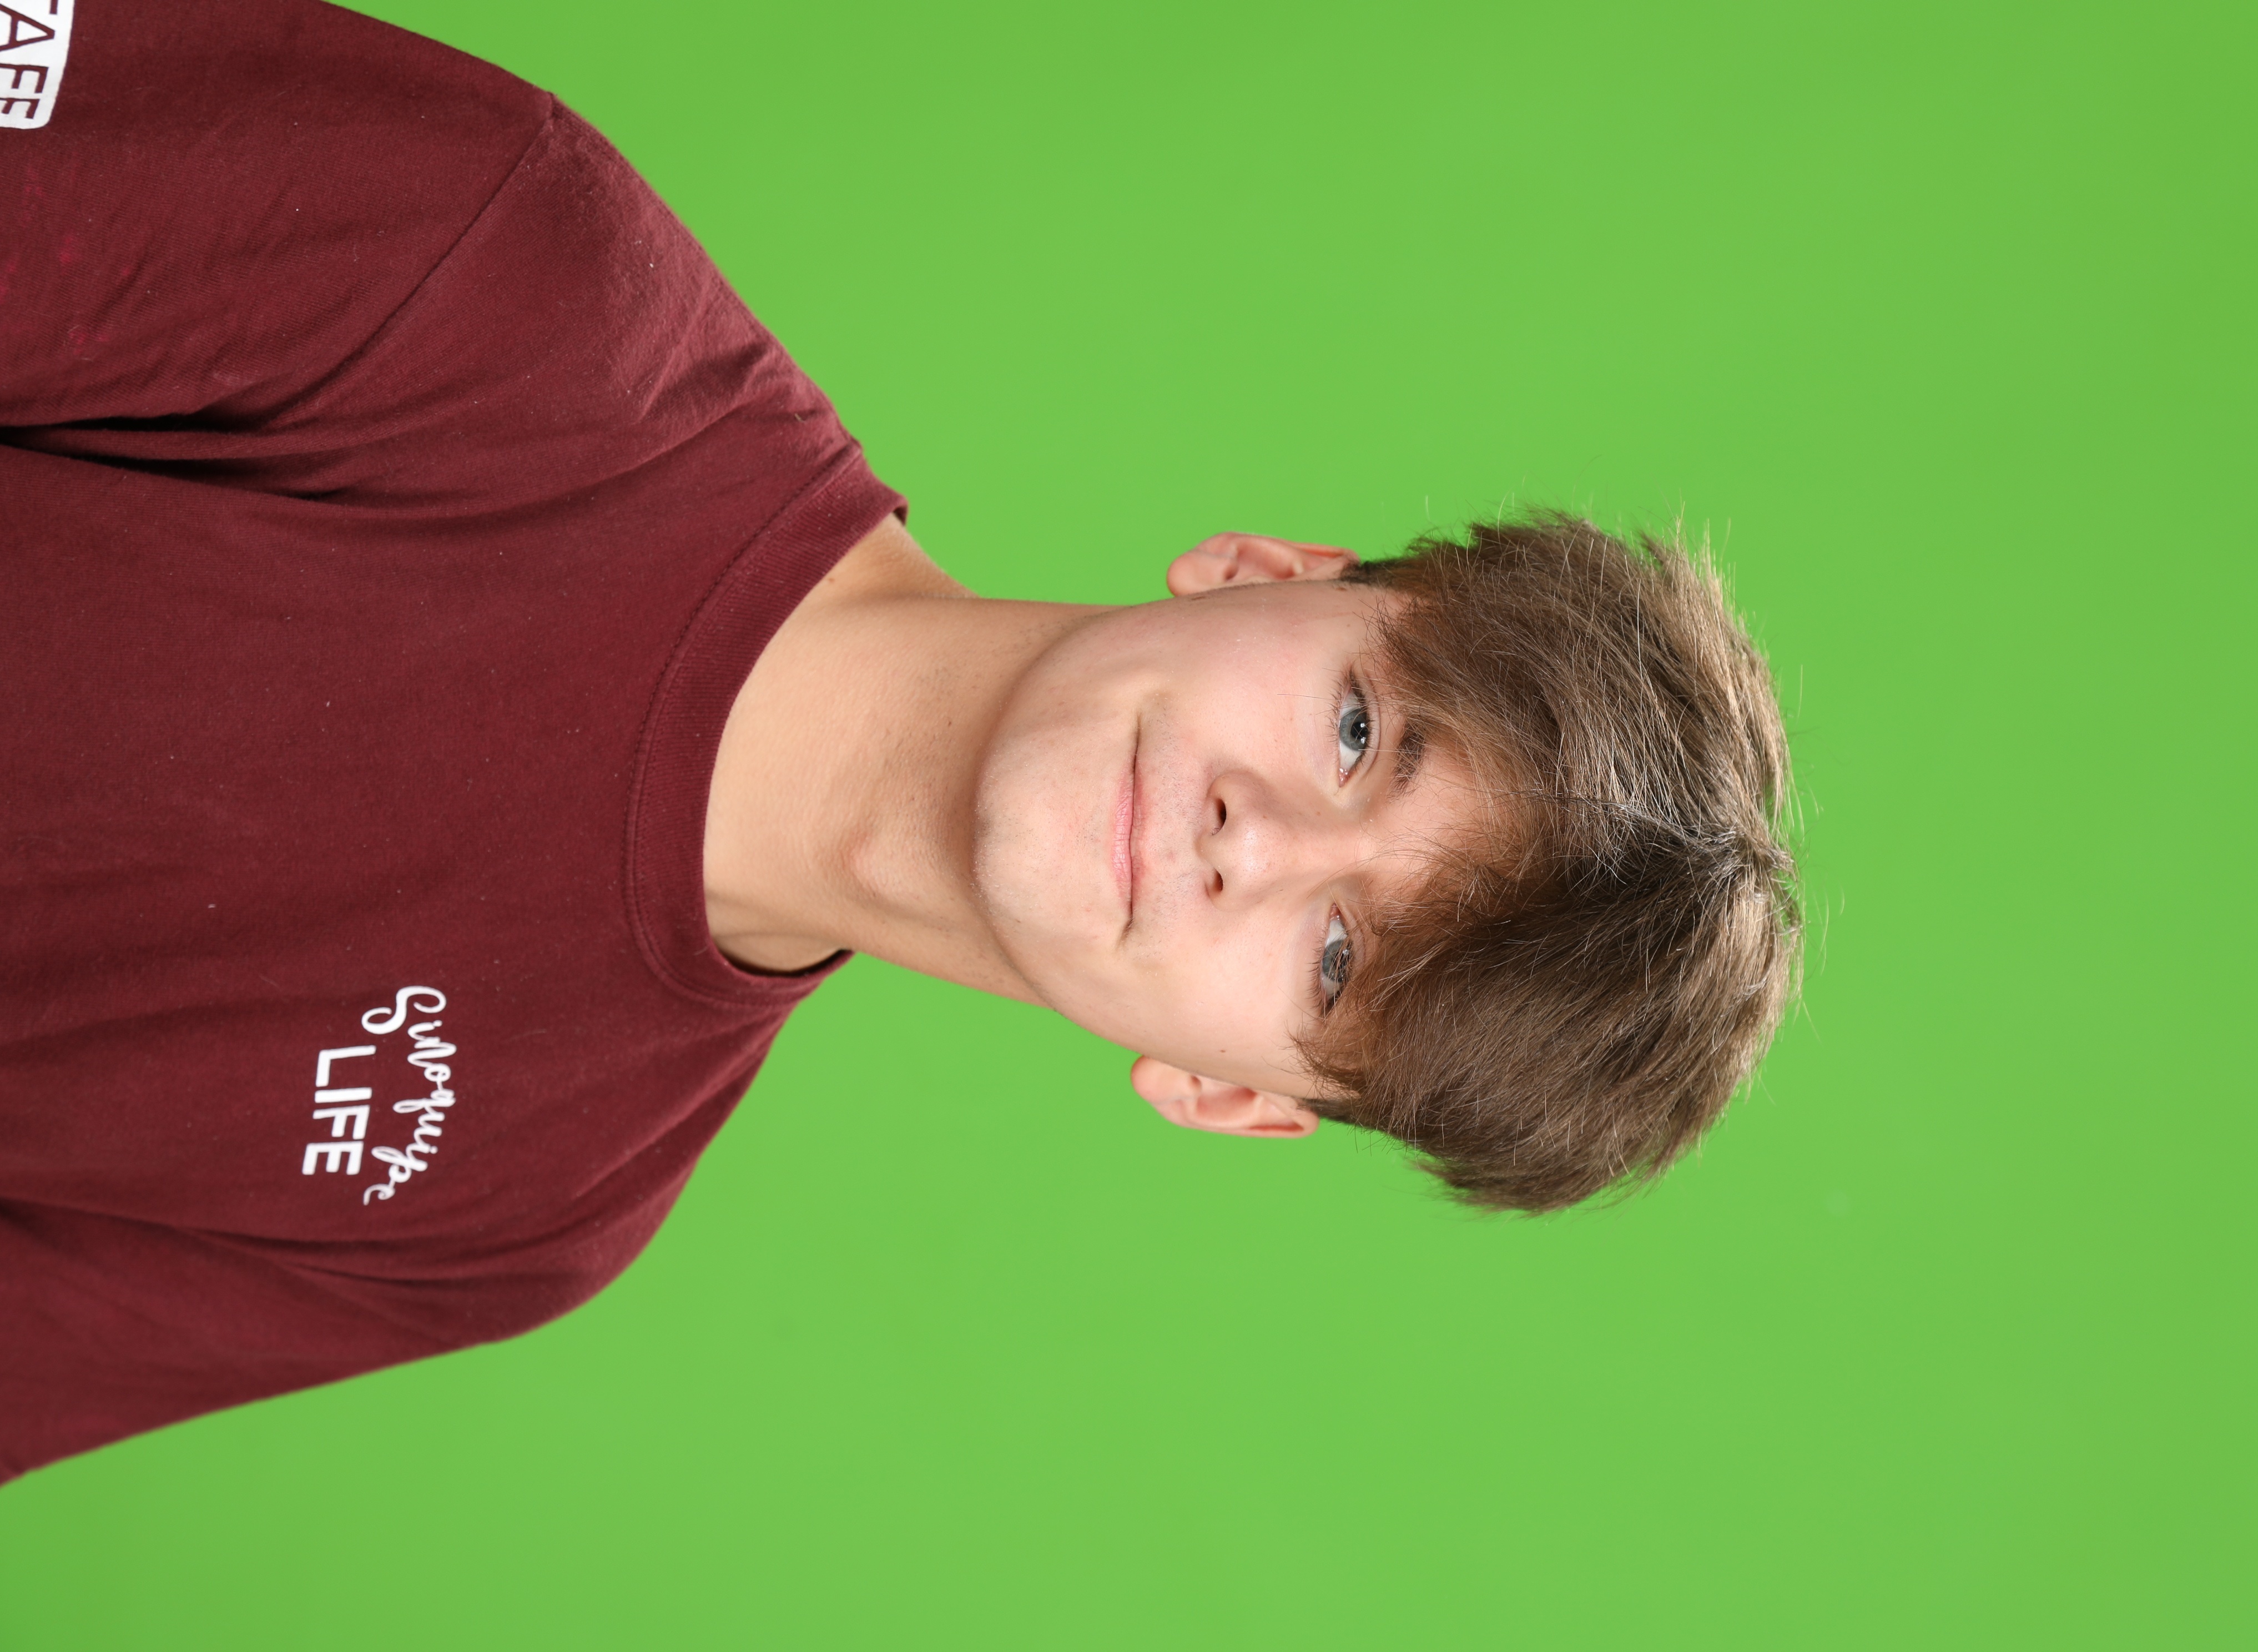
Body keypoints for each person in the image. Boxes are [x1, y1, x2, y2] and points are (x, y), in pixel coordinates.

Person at [0, 0, 1800, 1480]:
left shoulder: (524, 1215)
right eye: (1357, 732)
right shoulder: (500, 276)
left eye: (1336, 957)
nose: (1252, 835)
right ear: (1270, 570)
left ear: (1232, 1096)